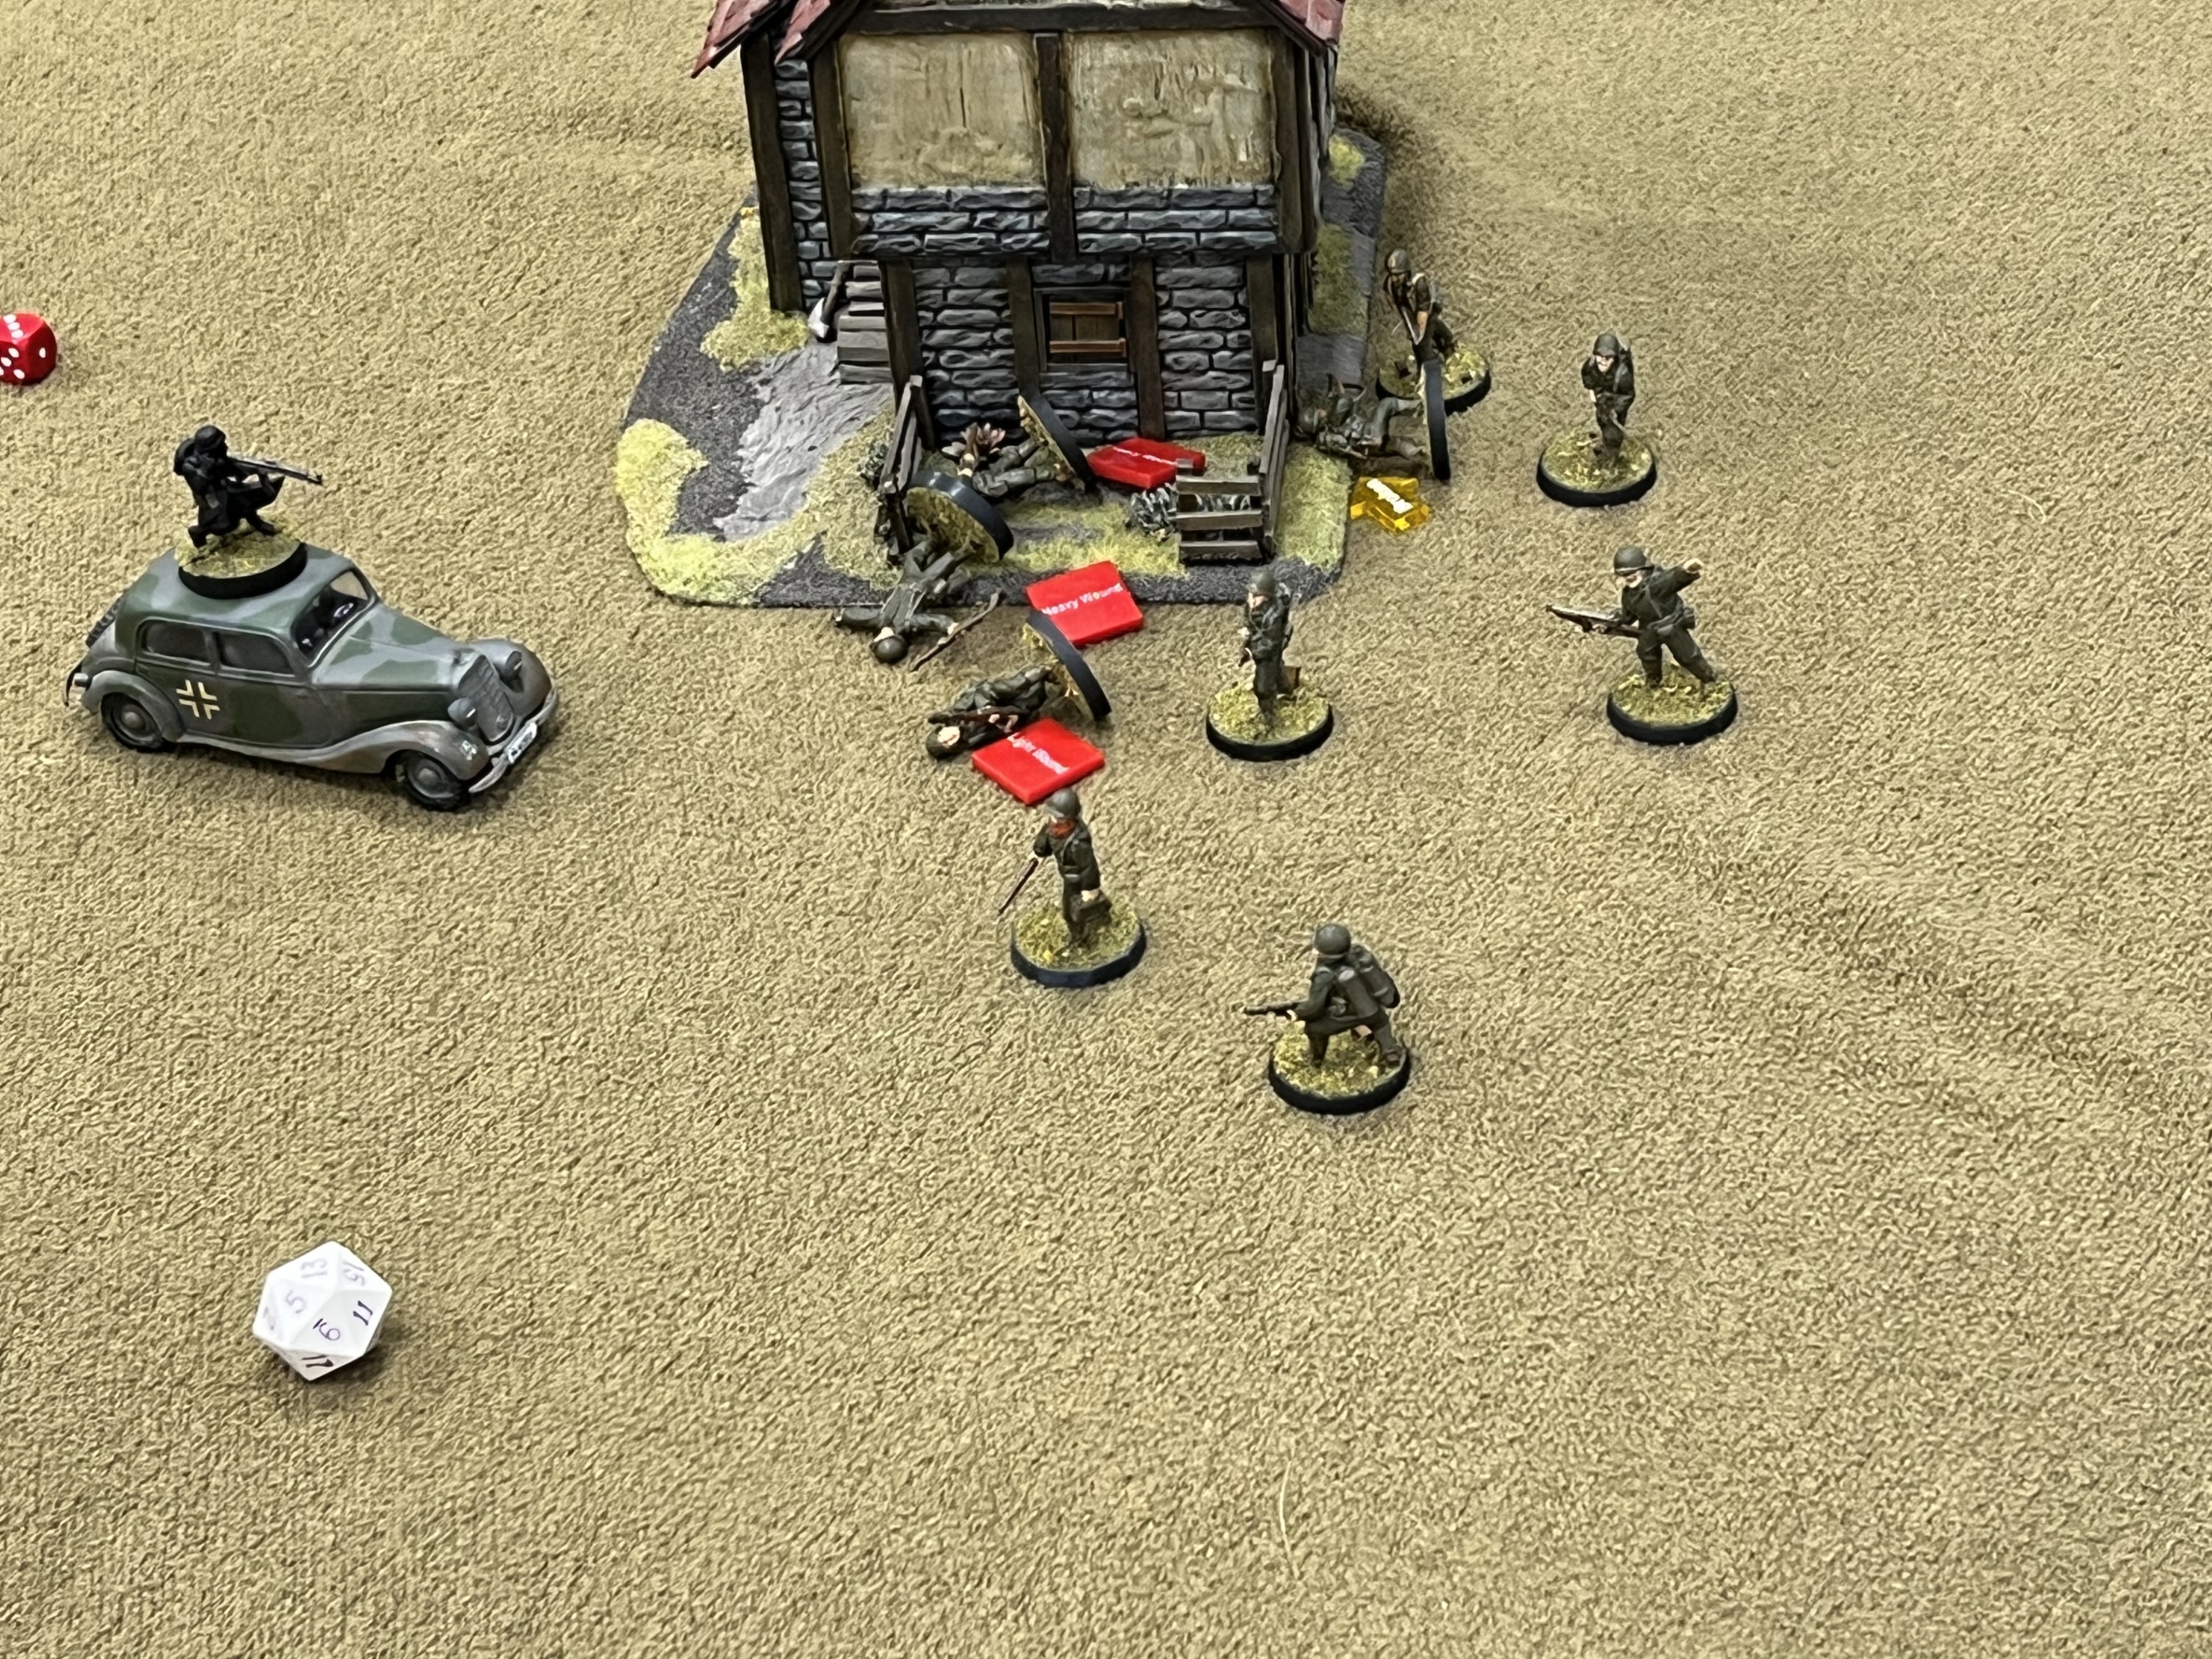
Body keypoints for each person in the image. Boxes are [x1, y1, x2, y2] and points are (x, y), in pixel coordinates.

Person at [1290, 924, 1405, 1067]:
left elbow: (1315, 1007)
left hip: (1347, 1013)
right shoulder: (1360, 954)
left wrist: (1298, 1012)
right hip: (1374, 1009)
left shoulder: (1324, 975)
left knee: (1314, 1029)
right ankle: (1390, 1052)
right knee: (1380, 1023)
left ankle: (1316, 1060)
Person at [1611, 546, 1717, 688]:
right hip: (1649, 628)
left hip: (1671, 625)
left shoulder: (1656, 584)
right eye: (1624, 575)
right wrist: (1611, 621)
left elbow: (1671, 579)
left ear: (1643, 570)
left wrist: (1685, 571)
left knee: (1688, 655)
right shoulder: (1628, 595)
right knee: (1647, 654)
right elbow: (1627, 616)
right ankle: (1653, 682)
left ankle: (1708, 679)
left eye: (1631, 573)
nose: (1628, 578)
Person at [173, 426, 283, 548]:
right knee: (222, 524)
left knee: (247, 499)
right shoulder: (191, 466)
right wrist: (213, 468)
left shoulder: (216, 456)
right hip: (210, 496)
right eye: (221, 445)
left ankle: (256, 521)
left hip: (224, 487)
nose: (225, 446)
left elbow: (232, 468)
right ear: (211, 449)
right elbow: (201, 486)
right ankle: (198, 533)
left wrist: (256, 469)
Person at [924, 664, 1060, 759]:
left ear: (941, 730)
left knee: (1010, 688)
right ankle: (1046, 682)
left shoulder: (956, 713)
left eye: (943, 738)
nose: (949, 740)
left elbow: (978, 694)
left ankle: (1036, 673)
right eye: (947, 745)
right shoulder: (973, 741)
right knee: (1032, 700)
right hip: (1006, 712)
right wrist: (1005, 726)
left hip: (992, 695)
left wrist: (987, 708)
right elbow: (996, 735)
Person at [1032, 787, 1111, 947]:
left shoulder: (1079, 843)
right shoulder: (1054, 828)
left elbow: (1088, 866)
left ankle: (1079, 939)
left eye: (1058, 821)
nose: (1053, 824)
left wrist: (1090, 888)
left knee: (1072, 913)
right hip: (1067, 876)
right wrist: (1039, 852)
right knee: (1077, 908)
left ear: (1070, 821)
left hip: (1077, 879)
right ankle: (1102, 912)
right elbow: (1046, 837)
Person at [1239, 568, 1295, 724]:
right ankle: (1286, 689)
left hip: (1269, 651)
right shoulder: (1254, 606)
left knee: (1263, 687)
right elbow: (1250, 620)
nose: (1251, 601)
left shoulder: (1273, 616)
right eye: (1250, 594)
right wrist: (1248, 633)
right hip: (1261, 644)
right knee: (1276, 670)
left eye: (1257, 596)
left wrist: (1251, 651)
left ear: (1267, 596)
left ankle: (1270, 717)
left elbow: (1270, 644)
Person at [1382, 249, 1457, 363]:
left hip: (1427, 311)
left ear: (1406, 272)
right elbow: (1392, 298)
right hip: (1412, 313)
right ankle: (1443, 343)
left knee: (1424, 346)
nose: (1394, 279)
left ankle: (1443, 352)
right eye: (1392, 275)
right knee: (1424, 339)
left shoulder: (1419, 284)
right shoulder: (1391, 283)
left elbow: (1423, 313)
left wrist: (1417, 336)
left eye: (1398, 275)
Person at [1581, 334, 1636, 460]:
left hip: (1615, 405)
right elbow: (1587, 376)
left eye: (1608, 357)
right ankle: (1605, 441)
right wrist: (1592, 391)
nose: (1603, 361)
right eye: (1600, 356)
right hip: (1601, 401)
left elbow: (1628, 395)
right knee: (1601, 420)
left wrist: (1615, 408)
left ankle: (1612, 457)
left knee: (1614, 432)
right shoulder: (1591, 365)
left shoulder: (1623, 375)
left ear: (1614, 358)